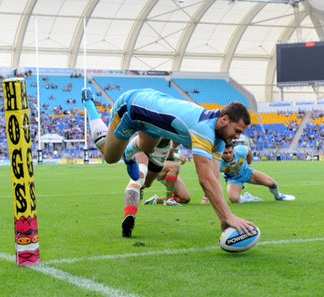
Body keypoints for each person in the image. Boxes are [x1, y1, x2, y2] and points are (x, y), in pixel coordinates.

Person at [81, 87, 257, 235]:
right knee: (110, 157)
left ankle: (130, 151)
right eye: (238, 130)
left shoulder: (219, 137)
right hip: (131, 108)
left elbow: (214, 177)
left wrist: (224, 218)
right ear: (225, 120)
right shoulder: (204, 129)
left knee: (148, 148)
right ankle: (90, 104)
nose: (238, 136)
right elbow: (205, 180)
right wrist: (230, 216)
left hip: (151, 116)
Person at [121, 138, 191, 237]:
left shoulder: (175, 136)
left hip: (160, 159)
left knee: (185, 198)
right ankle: (130, 215)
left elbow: (172, 152)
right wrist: (179, 156)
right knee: (139, 178)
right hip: (145, 145)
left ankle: (156, 200)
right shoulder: (171, 128)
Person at [201, 143, 295, 204]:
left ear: (233, 150)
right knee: (234, 199)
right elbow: (212, 178)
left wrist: (250, 164)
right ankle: (248, 198)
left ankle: (279, 196)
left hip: (247, 173)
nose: (228, 155)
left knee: (272, 184)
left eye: (230, 152)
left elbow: (249, 151)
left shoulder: (240, 150)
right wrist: (206, 197)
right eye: (225, 153)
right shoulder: (218, 162)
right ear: (221, 153)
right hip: (234, 179)